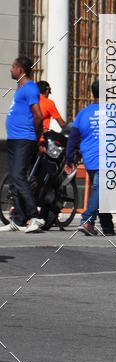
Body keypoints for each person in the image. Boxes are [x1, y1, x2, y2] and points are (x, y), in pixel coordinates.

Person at [0, 56, 45, 233]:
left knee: (19, 177)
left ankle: (35, 217)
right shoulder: (21, 89)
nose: (11, 69)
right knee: (14, 178)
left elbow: (38, 115)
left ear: (20, 70)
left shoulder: (30, 88)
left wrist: (37, 138)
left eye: (13, 67)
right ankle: (18, 220)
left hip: (24, 139)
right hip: (15, 139)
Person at [64, 79, 115, 237]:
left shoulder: (83, 113)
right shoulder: (115, 112)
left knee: (101, 191)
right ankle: (87, 220)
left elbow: (73, 137)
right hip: (108, 158)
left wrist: (68, 159)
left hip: (90, 159)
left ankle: (107, 226)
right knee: (102, 190)